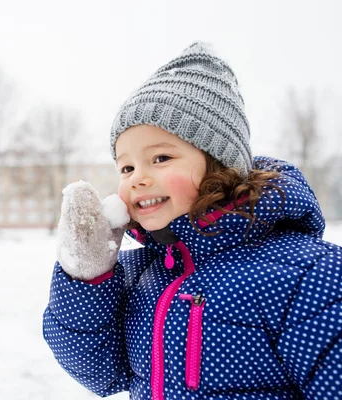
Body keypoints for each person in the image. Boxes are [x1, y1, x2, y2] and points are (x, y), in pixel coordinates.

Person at [43, 42, 342, 399]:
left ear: (220, 164)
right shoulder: (140, 273)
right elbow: (101, 374)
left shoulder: (309, 273)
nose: (137, 177)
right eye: (126, 166)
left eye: (161, 158)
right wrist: (88, 276)